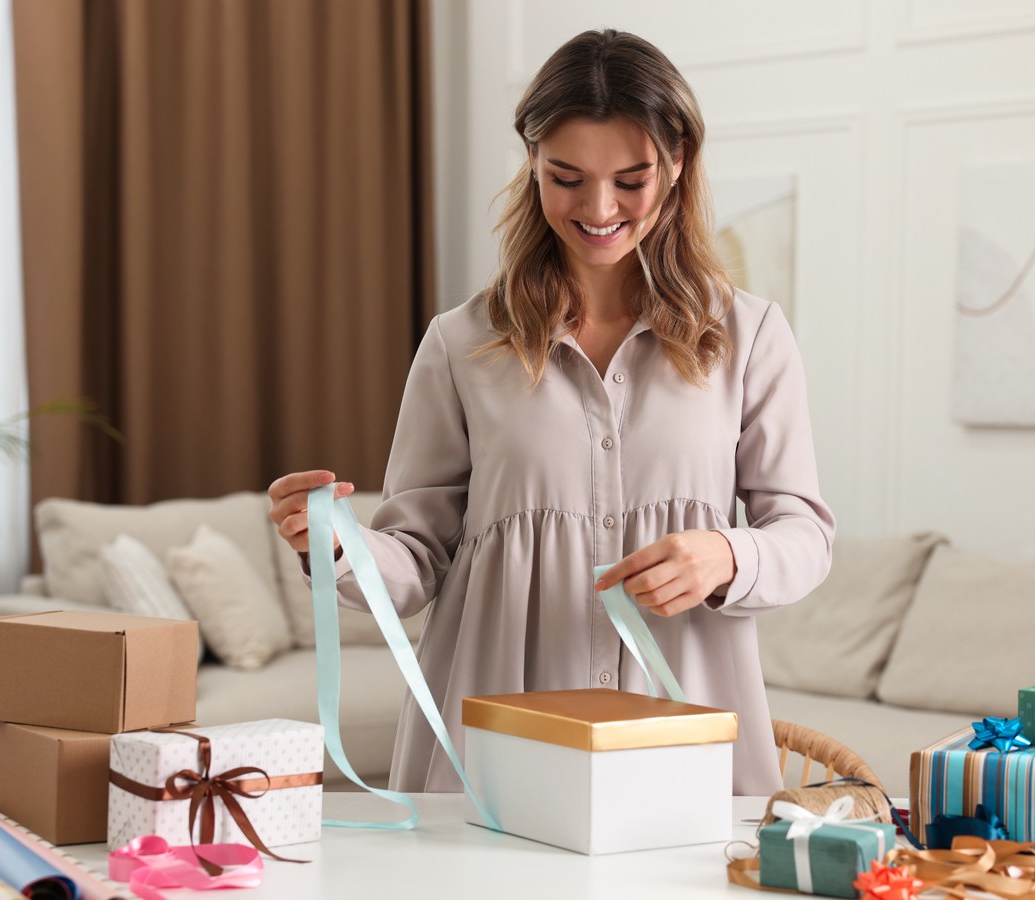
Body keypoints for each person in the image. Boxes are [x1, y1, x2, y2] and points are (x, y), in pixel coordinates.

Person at [268, 28, 833, 795]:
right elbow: (416, 557)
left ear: (677, 168)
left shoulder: (750, 335)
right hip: (494, 731)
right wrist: (336, 546)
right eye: (567, 177)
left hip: (682, 728)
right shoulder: (460, 343)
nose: (598, 209)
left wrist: (728, 557)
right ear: (532, 163)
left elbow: (803, 533)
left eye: (630, 180)